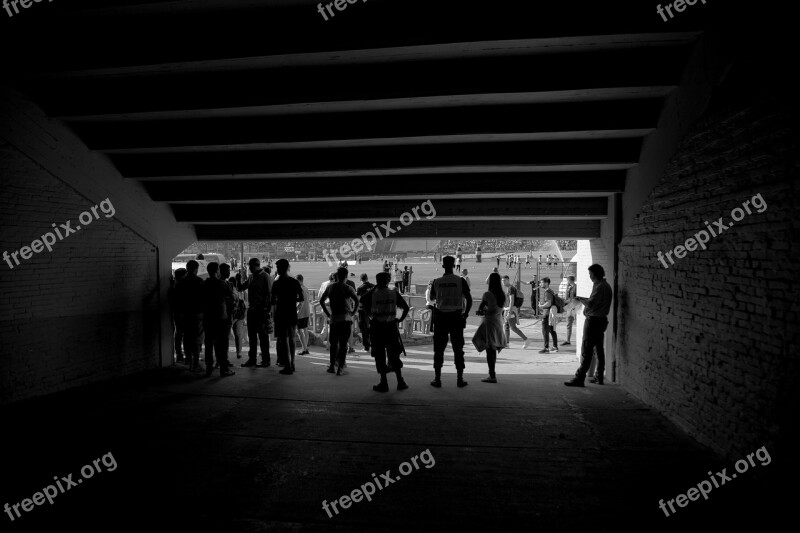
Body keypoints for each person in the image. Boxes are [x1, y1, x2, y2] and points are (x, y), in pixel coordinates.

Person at [361, 272, 410, 392]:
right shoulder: (393, 293)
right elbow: (406, 308)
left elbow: (362, 300)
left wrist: (374, 288)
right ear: (388, 281)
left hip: (377, 327)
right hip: (391, 327)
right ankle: (400, 381)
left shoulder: (373, 294)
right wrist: (399, 320)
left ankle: (384, 383)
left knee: (379, 355)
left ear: (377, 281)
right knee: (394, 355)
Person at [565, 264, 613, 387]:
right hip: (601, 320)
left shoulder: (599, 287)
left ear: (595, 274)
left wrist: (580, 299)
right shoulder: (605, 286)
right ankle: (599, 376)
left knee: (587, 349)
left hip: (593, 321)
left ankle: (579, 377)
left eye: (590, 274)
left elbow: (591, 304)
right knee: (599, 349)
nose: (590, 276)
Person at [429, 255, 472, 388]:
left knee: (439, 349)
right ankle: (459, 379)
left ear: (443, 266)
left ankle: (437, 378)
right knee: (458, 349)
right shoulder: (460, 281)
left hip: (441, 317)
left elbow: (432, 298)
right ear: (454, 266)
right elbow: (469, 300)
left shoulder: (436, 281)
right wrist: (465, 314)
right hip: (456, 317)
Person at [319, 267, 359, 375]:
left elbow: (321, 301)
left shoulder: (331, 287)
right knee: (343, 345)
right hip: (346, 319)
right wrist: (353, 312)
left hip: (334, 319)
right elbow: (356, 300)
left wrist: (328, 314)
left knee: (333, 344)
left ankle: (332, 366)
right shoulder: (348, 288)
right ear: (346, 276)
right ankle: (340, 368)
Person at [200, 262, 235, 377]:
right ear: (217, 271)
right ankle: (223, 369)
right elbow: (232, 297)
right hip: (221, 317)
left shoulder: (204, 284)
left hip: (208, 317)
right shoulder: (221, 284)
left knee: (209, 344)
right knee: (222, 344)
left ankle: (209, 369)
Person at [237, 258, 273, 367]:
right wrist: (238, 279)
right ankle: (252, 359)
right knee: (252, 336)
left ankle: (266, 360)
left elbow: (270, 295)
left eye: (250, 266)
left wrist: (268, 311)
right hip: (252, 310)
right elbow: (241, 288)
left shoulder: (266, 277)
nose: (249, 268)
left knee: (263, 337)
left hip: (261, 311)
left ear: (256, 265)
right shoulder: (252, 277)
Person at [271, 259, 304, 375]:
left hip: (281, 313)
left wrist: (281, 300)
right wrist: (291, 300)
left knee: (284, 339)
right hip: (292, 312)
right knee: (291, 338)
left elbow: (272, 300)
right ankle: (293, 363)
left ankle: (288, 366)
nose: (277, 270)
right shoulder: (294, 282)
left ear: (280, 268)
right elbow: (301, 298)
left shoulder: (277, 283)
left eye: (277, 267)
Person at [473, 273, 506, 383]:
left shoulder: (487, 294)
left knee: (489, 350)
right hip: (498, 323)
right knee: (493, 349)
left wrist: (482, 311)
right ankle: (492, 374)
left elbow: (480, 310)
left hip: (489, 324)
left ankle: (492, 375)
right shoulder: (502, 294)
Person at [175, 260, 204, 372]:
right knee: (196, 339)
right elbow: (203, 298)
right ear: (196, 269)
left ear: (187, 268)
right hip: (197, 314)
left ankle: (188, 360)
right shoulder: (199, 281)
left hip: (185, 314)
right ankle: (196, 362)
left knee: (186, 338)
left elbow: (177, 299)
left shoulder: (181, 283)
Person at [502, 275, 532, 348]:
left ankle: (526, 339)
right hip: (508, 309)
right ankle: (506, 343)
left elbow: (512, 300)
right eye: (502, 281)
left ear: (508, 280)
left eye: (504, 280)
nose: (503, 282)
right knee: (506, 326)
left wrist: (509, 312)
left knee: (512, 327)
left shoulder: (510, 288)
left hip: (511, 310)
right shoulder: (508, 288)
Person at [217, 263, 236, 369]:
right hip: (225, 315)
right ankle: (223, 361)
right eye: (228, 271)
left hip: (221, 315)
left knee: (220, 340)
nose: (229, 273)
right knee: (224, 340)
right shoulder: (225, 284)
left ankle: (220, 360)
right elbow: (232, 298)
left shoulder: (217, 283)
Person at [170, 268, 187, 363]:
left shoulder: (174, 287)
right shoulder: (179, 287)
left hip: (176, 313)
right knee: (181, 334)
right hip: (181, 313)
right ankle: (181, 355)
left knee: (179, 334)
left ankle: (180, 354)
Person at [536, 277, 558, 353]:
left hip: (547, 314)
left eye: (541, 282)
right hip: (551, 313)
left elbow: (548, 303)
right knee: (552, 330)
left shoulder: (547, 292)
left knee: (545, 331)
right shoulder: (551, 291)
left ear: (546, 283)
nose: (540, 284)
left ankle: (546, 348)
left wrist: (541, 306)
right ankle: (555, 346)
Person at [356, 273, 376, 352]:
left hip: (363, 310)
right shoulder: (373, 286)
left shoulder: (360, 288)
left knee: (364, 328)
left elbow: (358, 300)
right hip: (373, 309)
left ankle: (366, 347)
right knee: (373, 327)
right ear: (367, 278)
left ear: (361, 279)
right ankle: (374, 344)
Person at [318, 272, 336, 348]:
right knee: (330, 326)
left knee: (327, 325)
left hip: (324, 307)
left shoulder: (323, 284)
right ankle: (328, 344)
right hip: (331, 307)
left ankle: (321, 339)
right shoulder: (333, 285)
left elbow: (319, 296)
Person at [296, 274, 311, 355]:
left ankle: (304, 348)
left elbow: (300, 302)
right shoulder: (306, 288)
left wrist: (296, 310)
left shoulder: (299, 289)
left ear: (298, 280)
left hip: (301, 313)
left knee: (299, 331)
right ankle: (305, 347)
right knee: (305, 330)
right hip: (307, 311)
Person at [562, 276, 577, 346]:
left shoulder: (575, 287)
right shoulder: (570, 288)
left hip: (574, 307)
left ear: (569, 280)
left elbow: (575, 298)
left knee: (572, 323)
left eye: (567, 281)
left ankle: (569, 340)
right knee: (568, 324)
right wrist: (566, 289)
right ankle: (568, 340)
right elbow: (566, 298)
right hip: (569, 307)